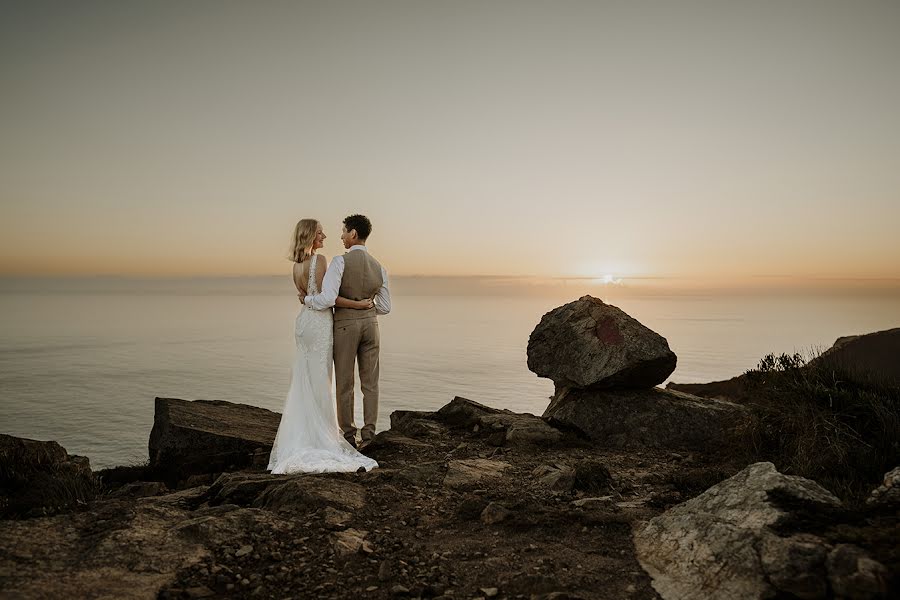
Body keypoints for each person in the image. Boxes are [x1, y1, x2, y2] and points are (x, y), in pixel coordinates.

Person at [267, 218, 378, 474]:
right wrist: (360, 305)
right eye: (319, 233)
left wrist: (307, 299)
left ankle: (303, 433)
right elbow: (327, 298)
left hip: (303, 322)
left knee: (305, 380)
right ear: (309, 236)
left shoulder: (296, 266)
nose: (325, 236)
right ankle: (321, 437)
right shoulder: (320, 261)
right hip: (318, 323)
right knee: (321, 380)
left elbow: (307, 298)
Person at [303, 214, 391, 448]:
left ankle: (349, 436)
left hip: (345, 327)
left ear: (353, 234)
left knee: (345, 382)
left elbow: (328, 298)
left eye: (343, 232)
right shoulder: (380, 268)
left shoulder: (340, 262)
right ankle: (370, 434)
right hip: (372, 327)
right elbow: (385, 307)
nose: (341, 236)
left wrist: (308, 300)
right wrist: (366, 306)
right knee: (370, 382)